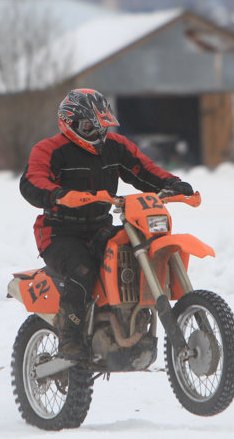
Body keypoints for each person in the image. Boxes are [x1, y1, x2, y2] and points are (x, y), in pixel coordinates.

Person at [19, 88, 194, 358]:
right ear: (70, 123)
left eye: (101, 126)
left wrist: (171, 184)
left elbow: (143, 169)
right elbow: (33, 180)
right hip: (60, 233)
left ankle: (122, 319)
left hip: (99, 226)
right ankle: (70, 339)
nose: (97, 133)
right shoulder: (50, 149)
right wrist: (58, 194)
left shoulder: (115, 147)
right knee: (83, 270)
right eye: (89, 126)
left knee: (132, 254)